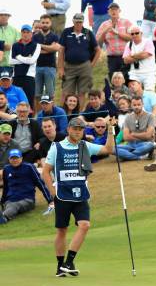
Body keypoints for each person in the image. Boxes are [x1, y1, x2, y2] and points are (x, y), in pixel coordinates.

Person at [42, 117, 115, 276]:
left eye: (80, 129)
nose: (77, 131)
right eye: (74, 129)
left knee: (84, 225)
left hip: (81, 194)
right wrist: (52, 193)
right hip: (62, 195)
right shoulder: (57, 147)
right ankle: (61, 266)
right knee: (62, 230)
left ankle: (68, 262)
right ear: (68, 129)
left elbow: (108, 149)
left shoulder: (85, 145)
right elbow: (45, 172)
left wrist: (110, 129)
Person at [0, 149, 53, 225]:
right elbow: (6, 187)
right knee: (10, 205)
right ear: (9, 159)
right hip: (11, 199)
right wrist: (2, 200)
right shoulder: (6, 169)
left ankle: (4, 218)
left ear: (21, 158)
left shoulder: (29, 167)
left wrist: (49, 200)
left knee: (14, 205)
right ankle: (4, 215)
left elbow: (40, 184)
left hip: (27, 199)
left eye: (16, 158)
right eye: (12, 158)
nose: (15, 160)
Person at [58, 13, 100, 107]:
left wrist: (91, 65)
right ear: (73, 21)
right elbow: (61, 50)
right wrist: (60, 68)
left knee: (82, 93)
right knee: (66, 92)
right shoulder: (66, 32)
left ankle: (80, 116)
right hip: (69, 66)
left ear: (83, 22)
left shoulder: (88, 33)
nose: (78, 24)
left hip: (84, 66)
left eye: (80, 22)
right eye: (76, 22)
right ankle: (64, 115)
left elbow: (98, 50)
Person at [96, 2, 132, 81]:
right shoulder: (104, 25)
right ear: (108, 12)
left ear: (119, 11)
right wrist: (104, 32)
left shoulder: (126, 22)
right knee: (114, 80)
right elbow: (98, 43)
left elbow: (132, 38)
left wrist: (117, 33)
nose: (113, 11)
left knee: (126, 79)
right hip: (112, 58)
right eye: (111, 10)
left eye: (115, 9)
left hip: (125, 56)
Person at [115, 96, 156, 161]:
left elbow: (148, 136)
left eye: (139, 104)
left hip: (144, 144)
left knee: (151, 145)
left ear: (142, 104)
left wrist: (133, 134)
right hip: (131, 145)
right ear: (131, 105)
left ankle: (126, 155)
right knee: (113, 148)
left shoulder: (150, 116)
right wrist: (144, 135)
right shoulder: (128, 118)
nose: (137, 107)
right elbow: (126, 137)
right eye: (134, 105)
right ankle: (139, 156)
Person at [33, 15, 61, 110]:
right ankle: (39, 115)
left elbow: (56, 48)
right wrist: (50, 48)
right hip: (37, 67)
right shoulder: (35, 36)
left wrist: (40, 46)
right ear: (40, 23)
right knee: (37, 94)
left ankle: (51, 112)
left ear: (50, 23)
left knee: (51, 94)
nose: (45, 24)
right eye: (43, 22)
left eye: (47, 23)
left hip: (50, 67)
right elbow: (33, 50)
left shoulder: (54, 36)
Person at [9, 25, 40, 107]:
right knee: (16, 100)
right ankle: (15, 119)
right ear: (21, 33)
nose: (25, 34)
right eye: (23, 32)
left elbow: (32, 61)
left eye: (28, 32)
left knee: (29, 101)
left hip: (29, 77)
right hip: (16, 76)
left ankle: (29, 119)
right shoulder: (14, 45)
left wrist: (17, 56)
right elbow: (11, 61)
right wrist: (26, 59)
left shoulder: (36, 45)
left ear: (31, 34)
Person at [122, 26, 156, 92]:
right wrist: (139, 55)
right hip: (134, 73)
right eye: (132, 34)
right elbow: (125, 60)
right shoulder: (128, 44)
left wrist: (131, 55)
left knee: (149, 92)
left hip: (149, 72)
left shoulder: (148, 41)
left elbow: (145, 55)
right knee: (133, 92)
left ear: (141, 33)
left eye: (137, 33)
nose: (134, 35)